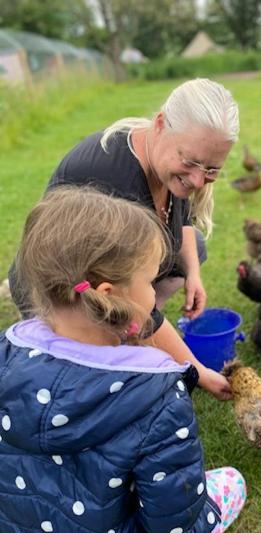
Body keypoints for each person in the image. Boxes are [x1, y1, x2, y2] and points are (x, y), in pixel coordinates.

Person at [0, 187, 246, 533]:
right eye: (151, 282)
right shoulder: (154, 394)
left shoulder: (8, 357)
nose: (155, 293)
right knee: (229, 485)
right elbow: (172, 517)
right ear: (110, 294)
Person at [8, 77, 239, 401]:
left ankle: (133, 335)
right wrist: (198, 372)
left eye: (212, 170)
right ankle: (121, 340)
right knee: (99, 386)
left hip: (112, 280)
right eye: (190, 163)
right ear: (161, 124)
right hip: (63, 294)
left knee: (193, 250)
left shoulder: (172, 163)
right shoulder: (113, 182)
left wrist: (194, 276)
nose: (199, 180)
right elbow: (118, 290)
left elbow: (181, 217)